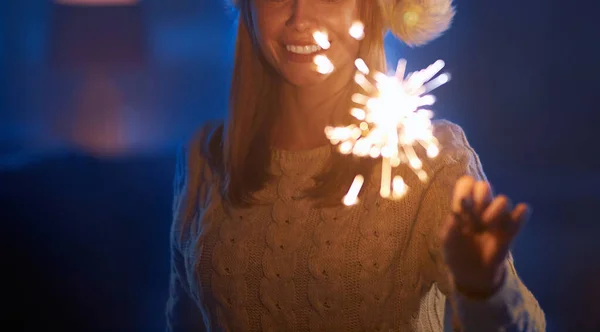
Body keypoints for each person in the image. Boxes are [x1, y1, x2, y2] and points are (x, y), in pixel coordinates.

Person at [166, 0, 546, 330]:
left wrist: (486, 287)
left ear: (372, 8)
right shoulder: (203, 159)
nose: (300, 18)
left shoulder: (431, 161)